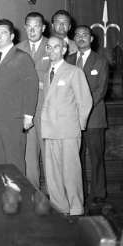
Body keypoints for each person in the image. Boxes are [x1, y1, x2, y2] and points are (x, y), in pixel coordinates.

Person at [41, 35, 92, 216]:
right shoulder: (47, 73)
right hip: (50, 130)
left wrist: (79, 126)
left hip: (68, 131)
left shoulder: (74, 71)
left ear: (64, 50)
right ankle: (59, 208)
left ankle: (76, 209)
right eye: (49, 47)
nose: (52, 50)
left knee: (71, 173)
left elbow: (85, 101)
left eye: (56, 47)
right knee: (53, 174)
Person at [0, 19, 38, 174]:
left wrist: (29, 115)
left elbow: (31, 87)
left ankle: (18, 189)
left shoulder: (22, 57)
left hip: (13, 118)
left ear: (12, 36)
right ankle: (1, 189)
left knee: (15, 160)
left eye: (3, 33)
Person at [67, 25, 109, 209]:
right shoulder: (68, 60)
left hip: (93, 118)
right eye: (77, 35)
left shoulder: (100, 61)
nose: (81, 38)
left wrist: (82, 108)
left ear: (91, 39)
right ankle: (80, 192)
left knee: (96, 156)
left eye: (85, 35)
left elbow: (101, 90)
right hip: (71, 118)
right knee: (76, 158)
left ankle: (98, 193)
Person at [17, 12, 50, 191]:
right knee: (29, 157)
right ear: (24, 28)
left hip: (46, 110)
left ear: (43, 28)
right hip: (25, 111)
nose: (32, 30)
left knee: (49, 157)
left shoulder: (52, 46)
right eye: (29, 26)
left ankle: (55, 198)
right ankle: (33, 194)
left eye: (36, 26)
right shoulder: (18, 49)